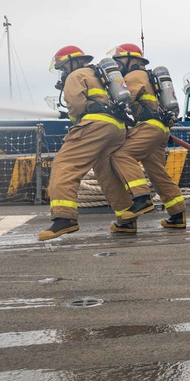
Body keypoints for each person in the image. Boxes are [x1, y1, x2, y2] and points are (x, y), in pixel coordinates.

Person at [39, 46, 154, 241]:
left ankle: (64, 218)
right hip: (116, 128)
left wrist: (78, 122)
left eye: (63, 67)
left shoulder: (75, 75)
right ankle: (126, 219)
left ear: (72, 62)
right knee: (105, 170)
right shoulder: (101, 75)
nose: (63, 72)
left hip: (95, 124)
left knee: (65, 164)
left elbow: (75, 105)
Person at [106, 43, 187, 233]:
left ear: (132, 60)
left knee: (121, 155)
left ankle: (141, 198)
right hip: (161, 129)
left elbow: (124, 100)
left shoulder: (133, 76)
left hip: (148, 127)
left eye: (120, 60)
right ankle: (177, 214)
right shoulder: (150, 77)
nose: (118, 65)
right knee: (157, 171)